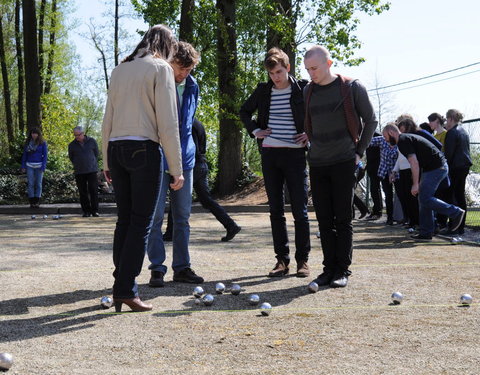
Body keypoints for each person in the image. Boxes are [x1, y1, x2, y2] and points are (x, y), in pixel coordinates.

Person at [102, 24, 183, 312]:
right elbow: (168, 123)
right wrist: (177, 168)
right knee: (141, 223)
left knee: (125, 220)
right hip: (144, 150)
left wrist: (106, 159)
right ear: (167, 45)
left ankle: (120, 284)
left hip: (117, 147)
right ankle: (125, 288)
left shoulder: (119, 69)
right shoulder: (160, 68)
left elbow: (107, 117)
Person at [303, 45, 377, 287]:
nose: (311, 73)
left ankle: (343, 270)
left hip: (344, 162)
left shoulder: (352, 87)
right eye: (307, 69)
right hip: (317, 163)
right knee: (324, 220)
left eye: (314, 68)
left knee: (343, 219)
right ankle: (328, 269)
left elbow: (371, 120)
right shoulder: (308, 92)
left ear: (329, 63)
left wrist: (358, 153)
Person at [240, 47, 311, 278]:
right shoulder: (263, 91)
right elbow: (244, 112)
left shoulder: (303, 89)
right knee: (275, 210)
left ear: (288, 68)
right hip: (270, 155)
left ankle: (303, 261)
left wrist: (309, 133)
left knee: (300, 211)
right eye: (271, 74)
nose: (276, 77)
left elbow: (317, 114)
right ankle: (282, 260)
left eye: (279, 72)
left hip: (296, 156)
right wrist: (255, 130)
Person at [147, 41, 204, 287]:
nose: (183, 74)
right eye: (180, 68)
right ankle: (157, 268)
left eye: (188, 70)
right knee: (156, 216)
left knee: (182, 217)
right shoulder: (156, 83)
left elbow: (187, 125)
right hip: (158, 159)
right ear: (169, 62)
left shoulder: (192, 86)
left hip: (186, 159)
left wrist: (183, 158)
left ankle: (182, 267)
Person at [382, 124, 465, 241]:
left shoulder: (403, 140)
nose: (385, 139)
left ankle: (455, 212)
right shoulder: (405, 139)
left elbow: (414, 163)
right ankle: (426, 232)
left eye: (385, 136)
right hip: (433, 168)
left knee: (424, 198)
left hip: (436, 168)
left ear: (391, 132)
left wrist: (415, 184)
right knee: (423, 198)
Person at [163, 119, 241, 242]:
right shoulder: (198, 123)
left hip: (193, 166)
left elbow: (190, 148)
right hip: (201, 165)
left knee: (177, 196)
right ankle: (231, 225)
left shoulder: (188, 124)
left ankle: (169, 233)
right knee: (206, 200)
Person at [443, 109, 472, 234]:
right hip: (464, 166)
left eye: (446, 119)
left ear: (450, 118)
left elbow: (449, 153)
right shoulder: (464, 132)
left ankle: (454, 226)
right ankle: (460, 227)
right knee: (460, 196)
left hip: (455, 167)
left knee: (453, 196)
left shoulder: (452, 132)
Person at [68, 126, 100, 217]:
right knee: (83, 192)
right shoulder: (72, 145)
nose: (77, 137)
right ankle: (86, 211)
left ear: (83, 133)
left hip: (92, 170)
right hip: (79, 171)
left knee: (93, 190)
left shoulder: (92, 141)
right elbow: (71, 157)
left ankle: (95, 211)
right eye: (75, 135)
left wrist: (91, 162)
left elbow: (96, 154)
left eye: (78, 135)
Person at [21, 127, 48, 208]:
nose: (34, 135)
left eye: (36, 133)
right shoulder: (27, 143)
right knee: (31, 184)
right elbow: (24, 155)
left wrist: (43, 166)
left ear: (38, 134)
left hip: (39, 166)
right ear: (31, 134)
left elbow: (45, 156)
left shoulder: (43, 143)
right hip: (29, 165)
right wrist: (23, 166)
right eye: (33, 133)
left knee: (39, 184)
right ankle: (32, 201)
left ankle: (37, 201)